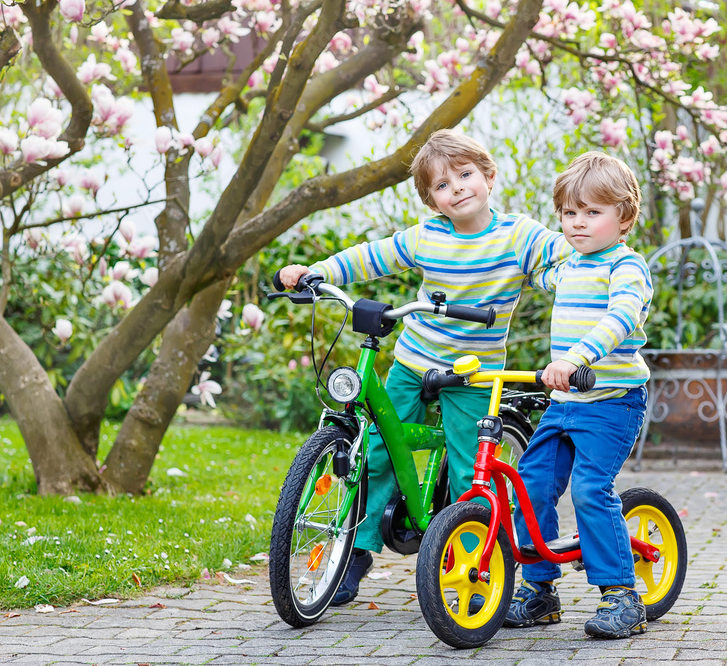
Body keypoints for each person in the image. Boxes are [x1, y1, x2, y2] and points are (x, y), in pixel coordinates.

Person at [277, 130, 571, 605]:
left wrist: (577, 277)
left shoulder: (517, 235)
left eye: (466, 175)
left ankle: (474, 566)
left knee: (465, 469)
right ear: (431, 201)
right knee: (376, 451)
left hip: (472, 372)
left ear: (489, 176)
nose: (456, 188)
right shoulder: (427, 236)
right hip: (414, 361)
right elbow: (372, 257)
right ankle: (356, 550)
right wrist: (320, 272)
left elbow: (561, 262)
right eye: (441, 185)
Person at [504, 151, 653, 639]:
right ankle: (540, 590)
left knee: (591, 489)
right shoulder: (568, 267)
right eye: (570, 213)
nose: (578, 223)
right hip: (566, 403)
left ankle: (622, 596)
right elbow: (522, 272)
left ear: (624, 217)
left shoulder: (627, 268)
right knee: (530, 487)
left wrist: (576, 358)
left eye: (593, 212)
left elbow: (622, 318)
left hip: (612, 401)